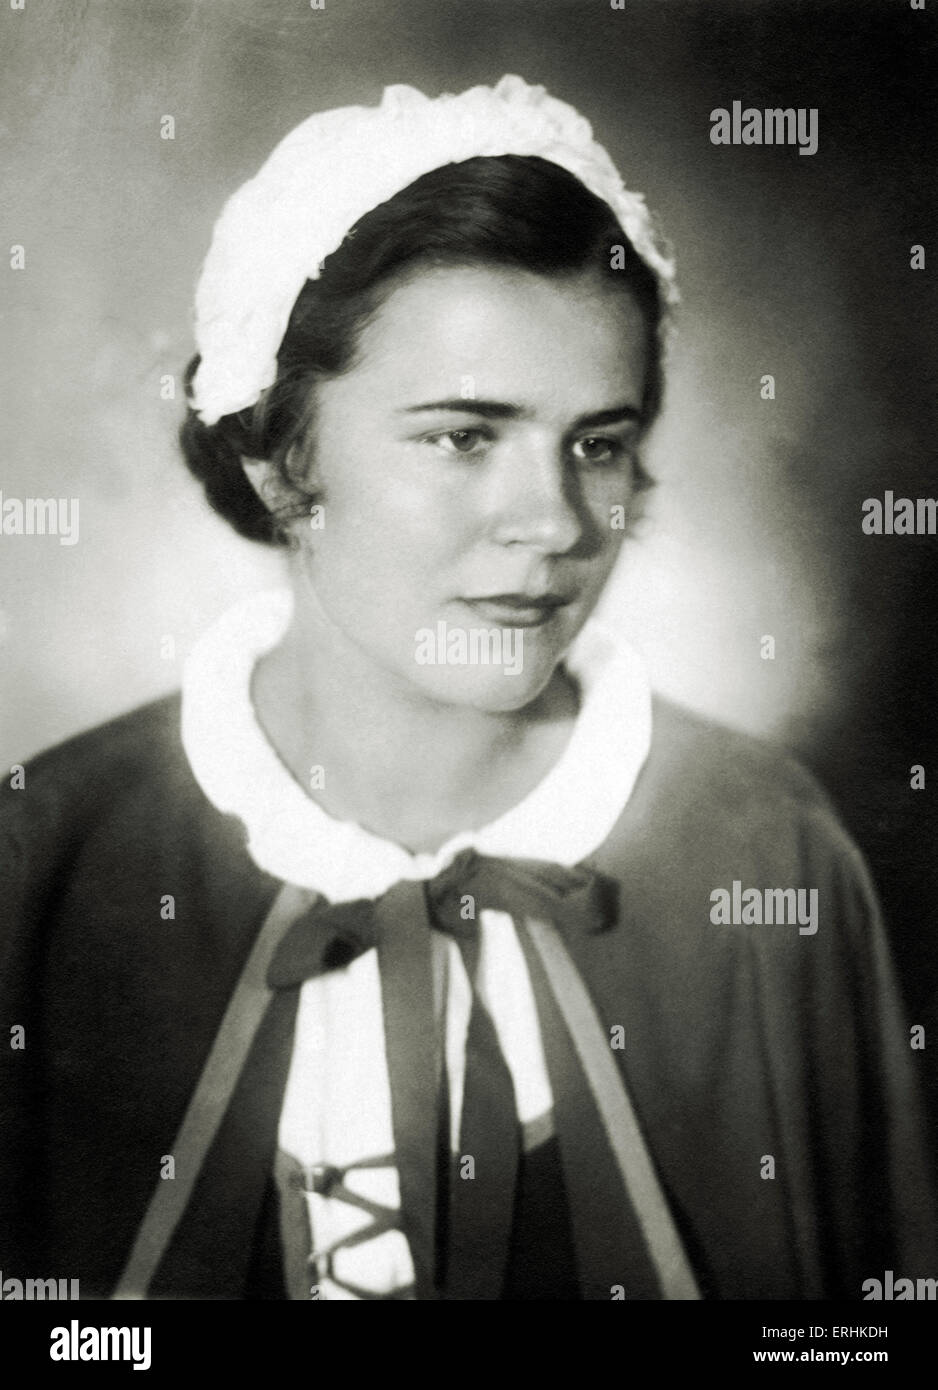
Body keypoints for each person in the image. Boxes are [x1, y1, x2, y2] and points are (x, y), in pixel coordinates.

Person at [1, 76, 934, 1302]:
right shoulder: (45, 856)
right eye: (460, 435)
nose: (551, 523)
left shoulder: (769, 853)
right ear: (278, 458)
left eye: (595, 443)